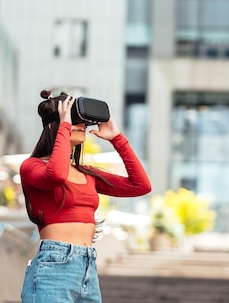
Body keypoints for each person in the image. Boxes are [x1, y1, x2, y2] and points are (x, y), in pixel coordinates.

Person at [19, 90, 152, 302]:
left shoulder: (86, 173)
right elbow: (56, 176)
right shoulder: (31, 166)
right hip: (54, 264)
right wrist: (64, 124)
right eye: (75, 119)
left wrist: (117, 138)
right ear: (57, 123)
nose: (83, 125)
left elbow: (140, 186)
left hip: (87, 263)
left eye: (83, 121)